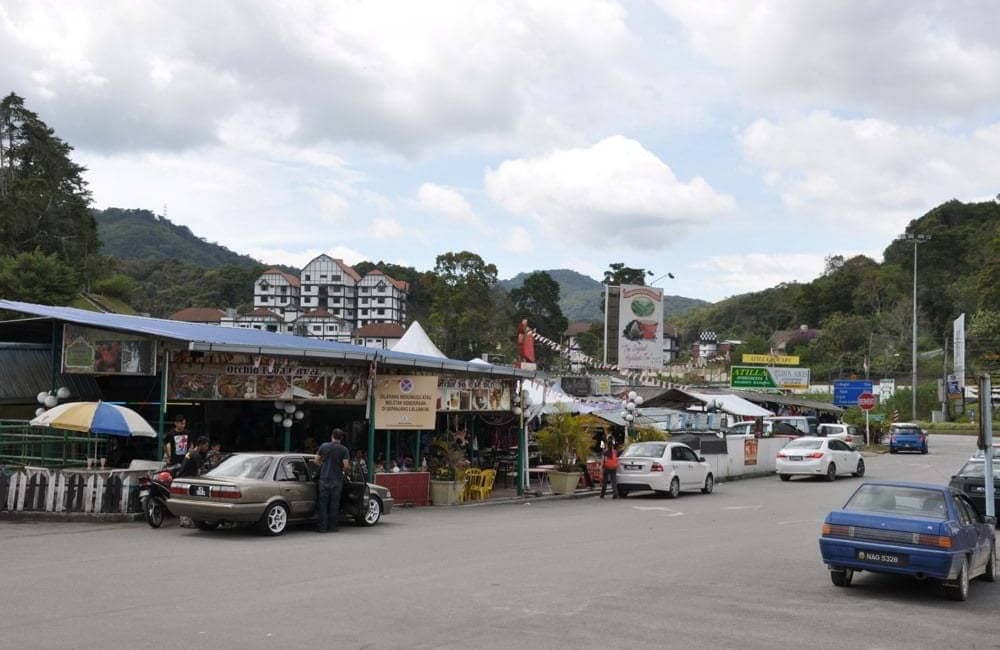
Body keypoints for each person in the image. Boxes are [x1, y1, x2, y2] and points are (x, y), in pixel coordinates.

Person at [313, 428, 350, 533]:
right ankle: (333, 527)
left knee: (323, 503)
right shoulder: (344, 450)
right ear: (341, 438)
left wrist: (323, 466)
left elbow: (316, 461)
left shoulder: (324, 446)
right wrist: (343, 470)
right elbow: (346, 466)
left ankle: (322, 527)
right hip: (337, 480)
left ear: (332, 436)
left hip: (324, 479)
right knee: (334, 504)